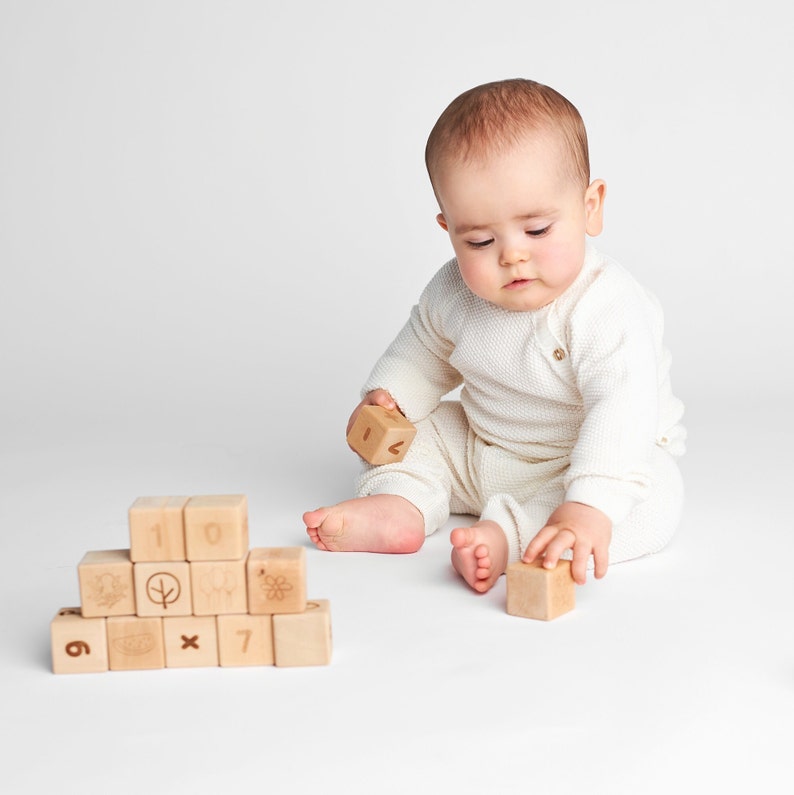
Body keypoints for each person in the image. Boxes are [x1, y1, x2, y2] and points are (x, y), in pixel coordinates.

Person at [304, 78, 685, 593]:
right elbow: (422, 352)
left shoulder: (608, 306)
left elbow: (623, 408)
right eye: (480, 240)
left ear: (590, 206)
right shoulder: (454, 292)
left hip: (580, 459)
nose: (511, 255)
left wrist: (589, 503)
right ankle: (400, 502)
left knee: (654, 495)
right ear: (449, 229)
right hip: (482, 449)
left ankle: (511, 537)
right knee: (421, 432)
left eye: (537, 230)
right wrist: (389, 399)